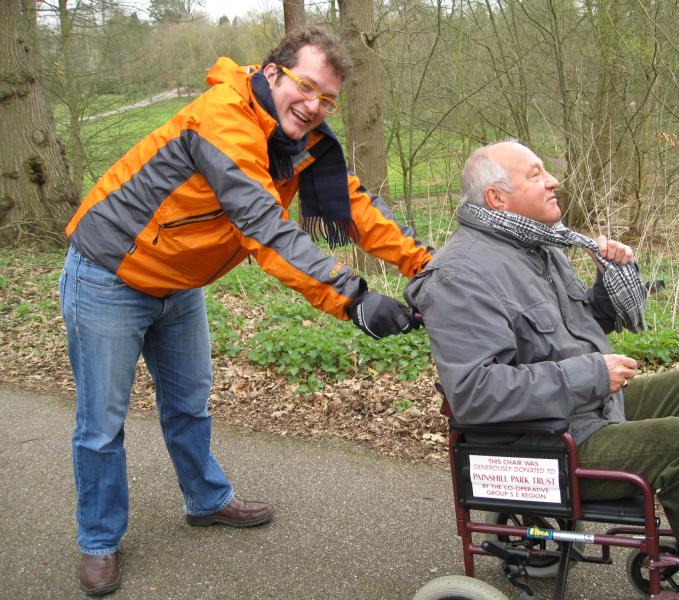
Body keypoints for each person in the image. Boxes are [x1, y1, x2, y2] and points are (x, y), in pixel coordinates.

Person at [60, 26, 433, 596]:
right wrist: (354, 299)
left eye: (327, 99)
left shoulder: (295, 141)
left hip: (180, 281)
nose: (314, 107)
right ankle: (99, 541)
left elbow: (356, 206)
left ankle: (205, 500)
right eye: (306, 87)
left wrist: (425, 266)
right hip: (111, 273)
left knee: (188, 402)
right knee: (102, 424)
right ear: (271, 72)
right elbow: (265, 230)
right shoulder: (223, 120)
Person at [404, 140, 679, 600]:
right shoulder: (461, 276)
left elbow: (578, 328)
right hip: (544, 440)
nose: (552, 180)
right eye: (535, 174)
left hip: (585, 411)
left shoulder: (539, 247)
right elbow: (475, 392)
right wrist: (589, 375)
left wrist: (609, 284)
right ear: (497, 198)